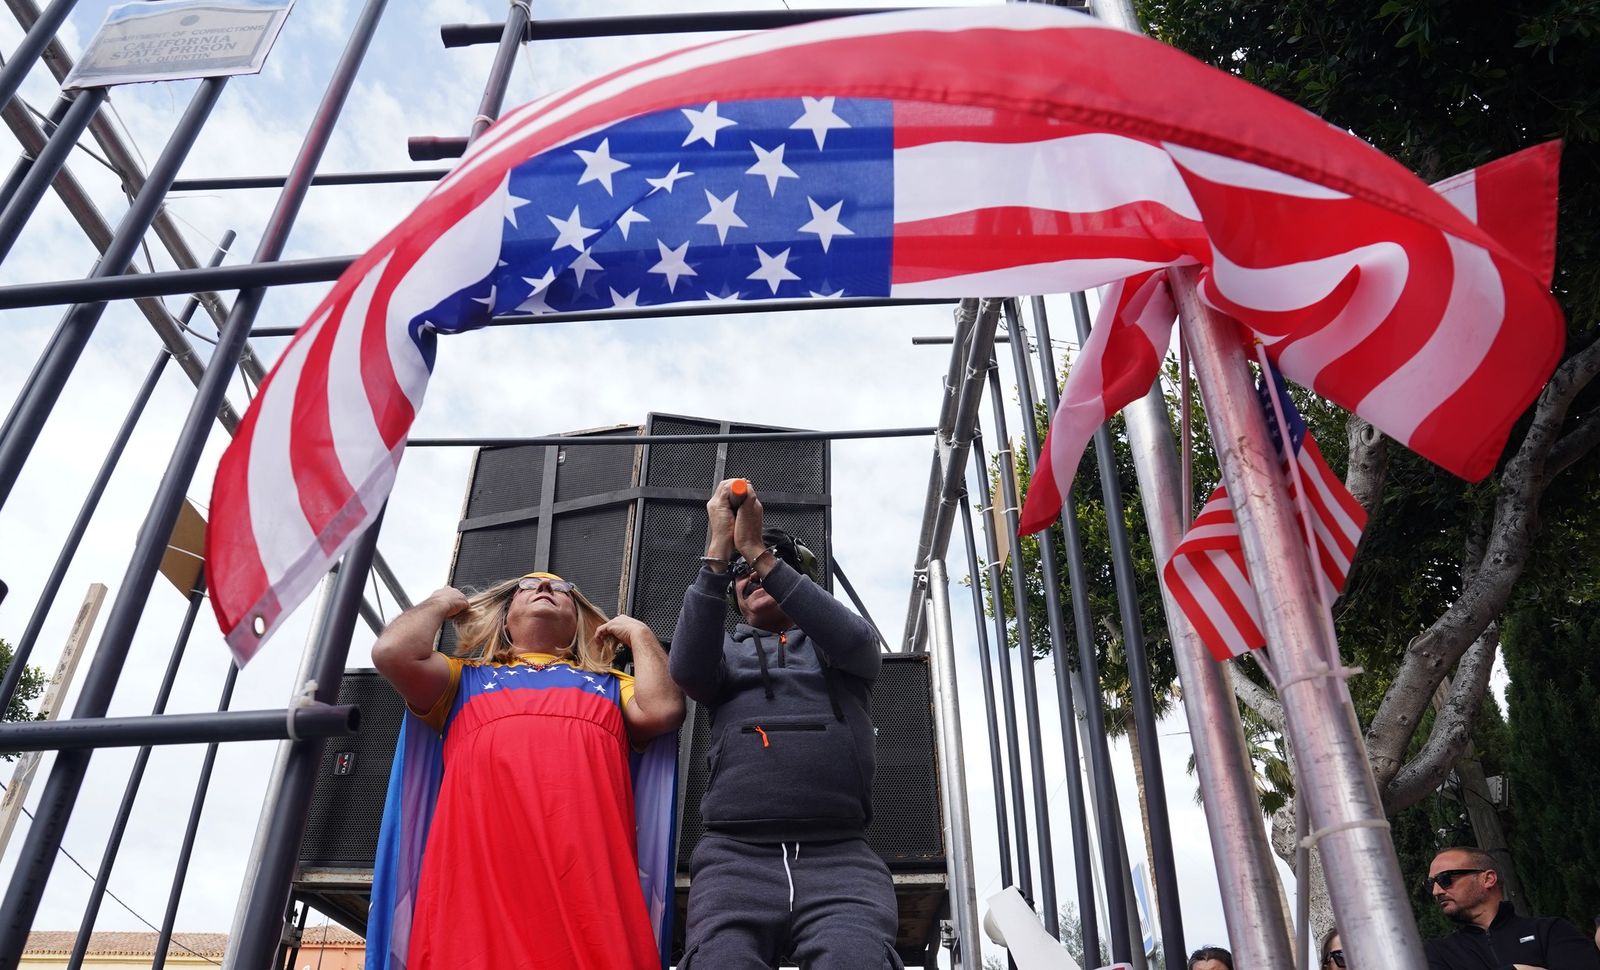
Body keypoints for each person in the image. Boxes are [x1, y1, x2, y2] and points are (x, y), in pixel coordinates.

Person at [371, 571, 684, 970]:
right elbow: (392, 652)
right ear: (504, 619)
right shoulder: (462, 677)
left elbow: (664, 709)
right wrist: (441, 602)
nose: (545, 588)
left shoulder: (610, 686)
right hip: (476, 899)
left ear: (579, 620)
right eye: (528, 586)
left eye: (562, 589)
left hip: (589, 897)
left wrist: (640, 635)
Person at [669, 479, 898, 969]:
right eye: (741, 574)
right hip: (735, 859)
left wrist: (757, 551)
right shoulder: (723, 653)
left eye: (768, 565)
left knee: (856, 959)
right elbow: (686, 670)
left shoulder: (836, 649)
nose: (750, 574)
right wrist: (719, 551)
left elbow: (860, 643)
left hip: (840, 859)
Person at [1424, 846, 1600, 970]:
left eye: (1445, 879)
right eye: (1430, 884)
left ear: (1488, 879)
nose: (1436, 891)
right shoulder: (1435, 953)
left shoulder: (1550, 931)